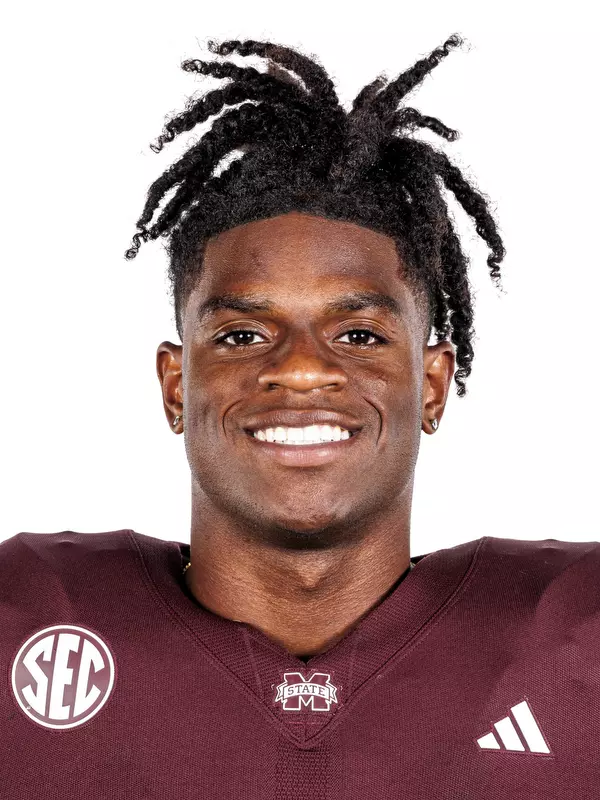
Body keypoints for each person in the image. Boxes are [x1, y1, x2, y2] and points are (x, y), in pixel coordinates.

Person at [2, 34, 598, 799]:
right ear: (176, 386)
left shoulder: (577, 632)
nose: (303, 368)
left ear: (431, 385)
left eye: (359, 335)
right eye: (243, 335)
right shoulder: (28, 618)